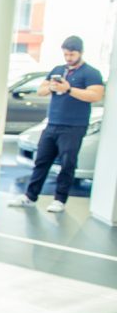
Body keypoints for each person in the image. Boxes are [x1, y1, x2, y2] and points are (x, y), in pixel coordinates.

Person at [8, 35, 105, 213]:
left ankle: (60, 199)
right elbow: (41, 91)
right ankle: (30, 196)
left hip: (74, 126)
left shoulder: (91, 73)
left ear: (81, 53)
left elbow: (95, 95)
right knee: (41, 161)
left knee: (67, 163)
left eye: (72, 55)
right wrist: (52, 87)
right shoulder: (58, 70)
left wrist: (68, 89)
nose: (68, 58)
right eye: (66, 55)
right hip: (53, 123)